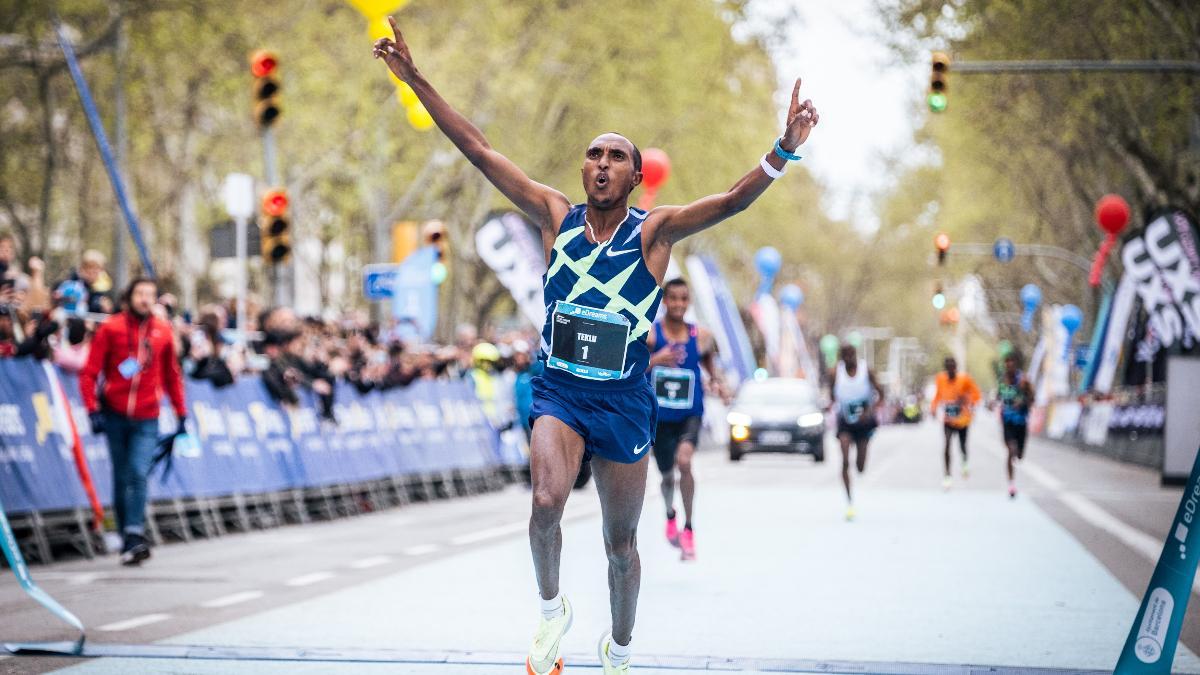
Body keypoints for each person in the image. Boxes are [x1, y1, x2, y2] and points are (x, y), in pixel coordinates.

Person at [373, 17, 818, 674]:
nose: (602, 163)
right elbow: (478, 148)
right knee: (546, 500)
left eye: (616, 157)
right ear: (583, 168)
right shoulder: (555, 216)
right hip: (560, 386)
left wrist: (784, 148)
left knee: (619, 544)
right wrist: (416, 80)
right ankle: (552, 612)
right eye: (594, 153)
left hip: (624, 397)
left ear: (636, 176)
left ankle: (621, 647)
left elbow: (730, 200)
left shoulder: (654, 233)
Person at [79, 278, 187, 566]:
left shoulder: (162, 332)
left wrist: (181, 412)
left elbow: (172, 375)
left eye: (150, 295)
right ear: (129, 297)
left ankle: (135, 533)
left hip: (147, 415)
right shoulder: (110, 328)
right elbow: (89, 372)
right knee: (121, 474)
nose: (145, 300)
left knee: (139, 471)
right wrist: (92, 409)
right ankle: (127, 535)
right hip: (114, 413)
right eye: (140, 293)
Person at [646, 278, 724, 560]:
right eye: (673, 299)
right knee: (666, 475)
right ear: (664, 301)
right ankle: (670, 514)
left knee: (685, 462)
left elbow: (709, 363)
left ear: (688, 302)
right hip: (660, 416)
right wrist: (656, 360)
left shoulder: (700, 336)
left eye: (684, 299)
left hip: (690, 412)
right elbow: (631, 365)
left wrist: (718, 383)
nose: (678, 304)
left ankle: (689, 529)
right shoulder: (652, 336)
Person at [830, 344, 884, 521]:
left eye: (851, 354)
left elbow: (881, 393)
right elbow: (832, 395)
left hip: (864, 422)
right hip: (845, 421)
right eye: (844, 355)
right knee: (845, 460)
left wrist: (870, 410)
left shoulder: (866, 371)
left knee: (860, 467)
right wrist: (837, 406)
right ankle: (849, 501)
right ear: (841, 357)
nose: (848, 358)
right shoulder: (834, 373)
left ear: (855, 355)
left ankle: (860, 459)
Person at [930, 356, 981, 490]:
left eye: (953, 368)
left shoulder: (965, 379)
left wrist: (966, 400)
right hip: (948, 419)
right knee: (946, 445)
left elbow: (976, 395)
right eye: (948, 368)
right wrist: (933, 408)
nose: (951, 370)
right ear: (946, 369)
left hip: (963, 419)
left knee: (962, 445)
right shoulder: (940, 379)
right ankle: (947, 475)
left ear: (956, 368)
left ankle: (964, 462)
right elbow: (937, 395)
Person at [997, 351, 1033, 499]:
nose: (1009, 365)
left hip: (1021, 422)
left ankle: (1018, 454)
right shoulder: (1002, 380)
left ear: (1015, 364)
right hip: (1007, 422)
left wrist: (1023, 402)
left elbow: (1032, 398)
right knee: (1011, 450)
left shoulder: (1023, 380)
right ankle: (1011, 484)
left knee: (1019, 455)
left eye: (1011, 362)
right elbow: (999, 397)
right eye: (1007, 362)